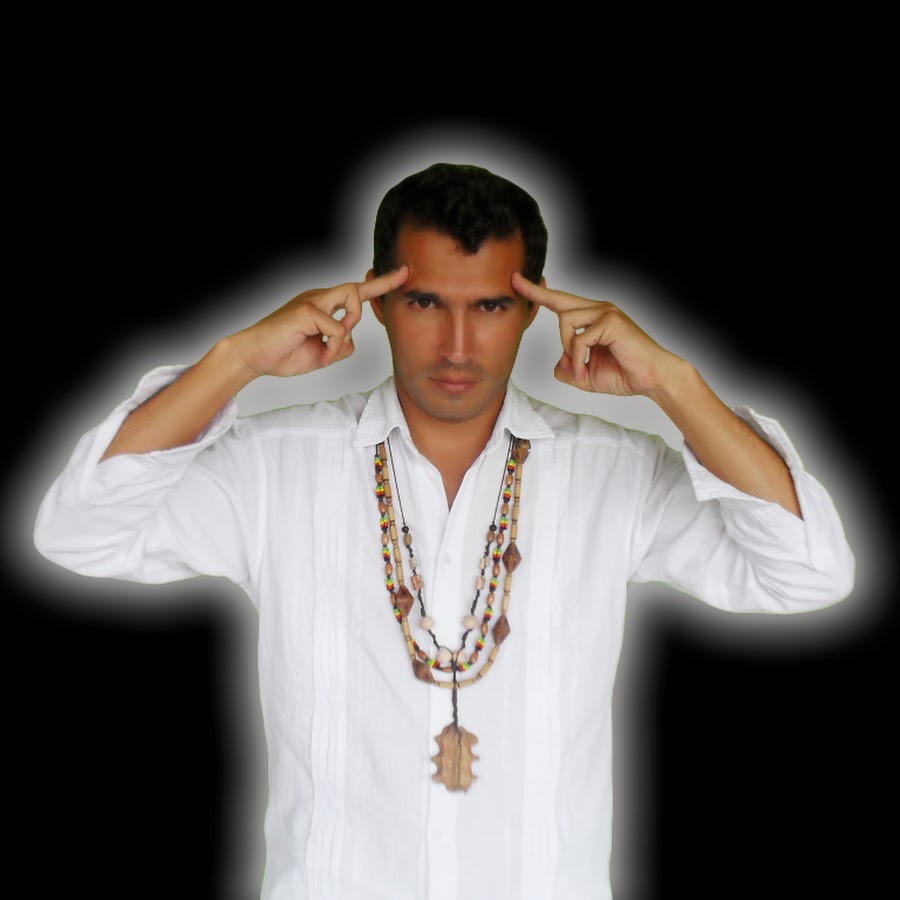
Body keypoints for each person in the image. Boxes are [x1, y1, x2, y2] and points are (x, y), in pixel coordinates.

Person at [33, 162, 855, 899]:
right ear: (377, 301)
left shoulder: (613, 472)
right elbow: (77, 530)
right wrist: (236, 359)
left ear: (533, 310)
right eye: (426, 302)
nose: (458, 346)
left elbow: (808, 572)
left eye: (490, 306)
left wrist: (674, 383)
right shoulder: (275, 466)